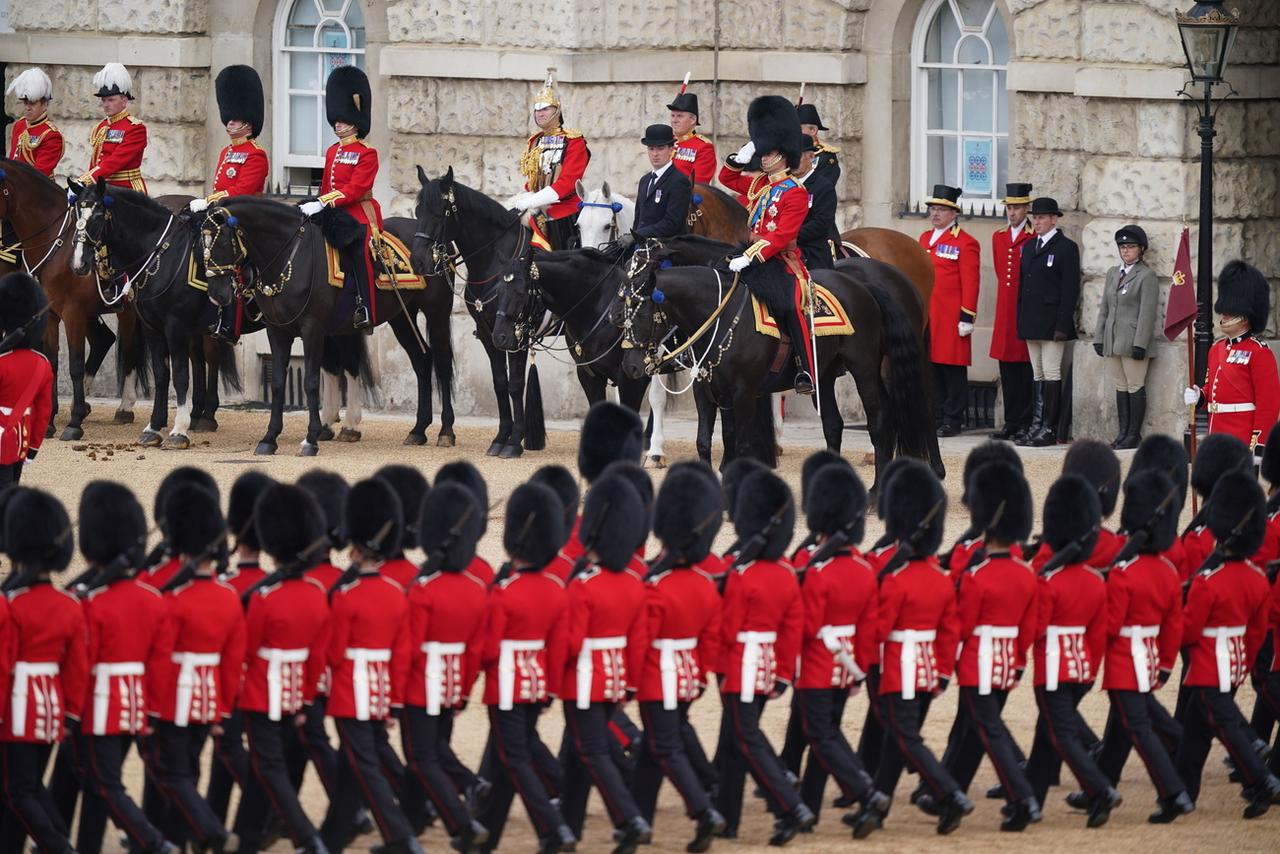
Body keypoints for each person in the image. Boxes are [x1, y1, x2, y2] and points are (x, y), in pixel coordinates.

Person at [851, 461, 967, 839]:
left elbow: (879, 629)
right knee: (894, 740)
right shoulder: (940, 577)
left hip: (896, 668)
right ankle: (875, 806)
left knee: (904, 739)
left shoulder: (896, 581)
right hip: (928, 668)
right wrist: (944, 672)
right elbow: (950, 631)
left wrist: (861, 662)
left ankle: (949, 794)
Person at [928, 461, 1040, 831]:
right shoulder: (1026, 575)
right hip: (1009, 664)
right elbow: (1029, 627)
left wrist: (944, 664)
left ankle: (1023, 798)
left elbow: (962, 627)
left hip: (979, 663)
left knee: (987, 731)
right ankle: (949, 791)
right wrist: (1019, 662)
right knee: (974, 731)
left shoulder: (977, 579)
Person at [713, 469, 815, 845]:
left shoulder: (742, 576)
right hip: (769, 666)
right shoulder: (787, 574)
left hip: (741, 667)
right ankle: (727, 817)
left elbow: (727, 629)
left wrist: (719, 669)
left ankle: (789, 804)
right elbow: (792, 630)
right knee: (732, 740)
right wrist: (785, 674)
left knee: (746, 739)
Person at [319, 478, 419, 854]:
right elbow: (403, 651)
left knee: (365, 765)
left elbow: (333, 651)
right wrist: (392, 699)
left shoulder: (347, 598)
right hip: (380, 691)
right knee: (351, 765)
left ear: (357, 550)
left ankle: (400, 837)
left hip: (349, 691)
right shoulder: (396, 596)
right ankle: (331, 837)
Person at [76, 481, 175, 854]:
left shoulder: (92, 603)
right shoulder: (151, 598)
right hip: (141, 701)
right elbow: (160, 658)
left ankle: (151, 840)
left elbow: (81, 662)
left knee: (102, 782)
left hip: (100, 704)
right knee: (102, 779)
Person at [630, 469, 726, 850]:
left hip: (658, 679)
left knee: (665, 747)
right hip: (688, 679)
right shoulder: (704, 585)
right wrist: (700, 676)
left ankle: (704, 811)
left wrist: (627, 681)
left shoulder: (656, 587)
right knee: (652, 750)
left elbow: (641, 641)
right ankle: (637, 820)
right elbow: (711, 638)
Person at [1175, 471, 1280, 819]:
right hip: (1233, 659)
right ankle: (1181, 792)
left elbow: (1189, 630)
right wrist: (1244, 661)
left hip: (1208, 663)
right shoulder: (1254, 577)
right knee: (1194, 729)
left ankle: (1262, 781)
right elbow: (1256, 630)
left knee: (1232, 730)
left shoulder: (1208, 581)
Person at [478, 482, 576, 854]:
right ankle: (487, 828)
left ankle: (554, 828)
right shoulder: (555, 589)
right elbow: (559, 645)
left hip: (507, 686)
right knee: (520, 750)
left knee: (515, 758)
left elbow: (489, 648)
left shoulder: (504, 592)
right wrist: (549, 688)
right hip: (536, 685)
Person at [146, 483, 244, 853]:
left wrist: (152, 709)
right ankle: (180, 839)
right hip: (208, 699)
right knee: (190, 769)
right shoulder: (229, 597)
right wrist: (222, 707)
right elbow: (231, 660)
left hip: (174, 698)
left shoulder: (175, 600)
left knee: (172, 773)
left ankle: (207, 830)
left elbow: (161, 658)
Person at [233, 483, 330, 854]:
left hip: (261, 695)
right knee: (263, 770)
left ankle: (308, 838)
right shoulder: (316, 595)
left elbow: (248, 651)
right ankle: (247, 838)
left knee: (270, 767)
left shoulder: (263, 599)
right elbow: (317, 656)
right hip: (296, 697)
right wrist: (305, 699)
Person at [559, 475, 652, 851]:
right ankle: (568, 825)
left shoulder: (583, 585)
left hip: (584, 680)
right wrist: (629, 683)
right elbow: (638, 638)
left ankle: (630, 819)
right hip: (615, 678)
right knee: (581, 752)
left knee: (593, 751)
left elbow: (570, 642)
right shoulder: (632, 581)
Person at [402, 482, 491, 853]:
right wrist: (464, 689)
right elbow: (474, 650)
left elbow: (409, 649)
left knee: (421, 756)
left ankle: (462, 822)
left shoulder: (423, 589)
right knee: (435, 749)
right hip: (454, 683)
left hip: (422, 684)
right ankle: (416, 816)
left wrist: (392, 693)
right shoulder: (474, 588)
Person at [1097, 470, 1189, 827]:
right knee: (1133, 721)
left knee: (1138, 728)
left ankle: (1173, 792)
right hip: (1150, 658)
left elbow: (1111, 624)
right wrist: (1166, 664)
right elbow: (1173, 624)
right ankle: (1101, 788)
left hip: (1124, 661)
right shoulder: (1166, 571)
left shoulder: (1123, 573)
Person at [792, 465, 882, 823]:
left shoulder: (817, 571)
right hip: (847, 666)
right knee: (824, 734)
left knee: (820, 733)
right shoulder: (863, 568)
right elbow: (868, 625)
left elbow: (809, 624)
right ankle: (810, 804)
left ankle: (865, 790)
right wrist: (858, 670)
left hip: (818, 663)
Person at [0, 489, 87, 854]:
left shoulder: (12, 606)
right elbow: (77, 668)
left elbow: (4, 668)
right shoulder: (70, 605)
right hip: (51, 708)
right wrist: (69, 714)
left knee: (18, 790)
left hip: (17, 711)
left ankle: (58, 847)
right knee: (31, 786)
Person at [1022, 476, 1113, 821]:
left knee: (1061, 734)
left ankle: (1100, 790)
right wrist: (1089, 670)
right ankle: (1030, 799)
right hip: (1082, 669)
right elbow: (1098, 633)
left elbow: (1035, 629)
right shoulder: (1093, 580)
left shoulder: (1048, 581)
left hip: (1053, 671)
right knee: (1047, 732)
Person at [718, 96, 817, 395]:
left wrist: (750, 257)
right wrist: (743, 153)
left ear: (784, 154)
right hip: (749, 256)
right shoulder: (761, 185)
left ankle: (805, 368)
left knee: (790, 305)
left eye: (768, 151)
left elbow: (780, 236)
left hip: (779, 260)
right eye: (762, 151)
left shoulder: (795, 192)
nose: (763, 157)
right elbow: (726, 178)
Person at [298, 65, 380, 332]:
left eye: (342, 118)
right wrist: (319, 204)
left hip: (358, 213)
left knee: (358, 254)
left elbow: (356, 188)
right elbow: (326, 185)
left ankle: (365, 307)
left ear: (355, 119)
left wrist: (326, 202)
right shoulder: (333, 151)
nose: (337, 122)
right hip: (333, 211)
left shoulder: (367, 152)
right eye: (336, 118)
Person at [192, 64, 270, 343]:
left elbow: (241, 190)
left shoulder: (256, 154)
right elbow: (220, 185)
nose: (229, 123)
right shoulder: (227, 151)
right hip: (221, 216)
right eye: (228, 119)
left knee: (231, 263)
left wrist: (210, 200)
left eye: (235, 120)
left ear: (248, 121)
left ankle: (230, 323)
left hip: (245, 218)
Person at [1184, 260, 1280, 456]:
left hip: (1242, 439)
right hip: (1215, 434)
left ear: (1245, 316)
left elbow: (1268, 404)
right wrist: (1199, 396)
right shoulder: (1217, 349)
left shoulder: (1259, 352)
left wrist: (1259, 444)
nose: (1224, 316)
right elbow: (1212, 390)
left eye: (1231, 312)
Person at [1015, 196, 1080, 447]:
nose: (1037, 221)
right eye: (1036, 217)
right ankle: (1037, 423)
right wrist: (1021, 320)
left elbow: (1069, 290)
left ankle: (1050, 428)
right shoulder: (1030, 247)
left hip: (1053, 322)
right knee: (1038, 373)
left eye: (1042, 217)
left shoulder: (1066, 248)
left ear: (1054, 219)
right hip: (1032, 320)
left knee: (1052, 371)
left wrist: (1063, 325)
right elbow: (1024, 288)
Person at [919, 185, 980, 437]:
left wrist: (967, 316)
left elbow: (971, 281)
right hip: (928, 314)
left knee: (952, 368)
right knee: (931, 367)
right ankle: (934, 415)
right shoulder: (924, 239)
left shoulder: (966, 242)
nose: (935, 214)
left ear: (953, 213)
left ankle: (953, 418)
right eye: (933, 209)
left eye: (941, 210)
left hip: (951, 316)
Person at [510, 68, 590, 251]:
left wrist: (533, 201)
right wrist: (526, 198)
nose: (540, 113)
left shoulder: (573, 141)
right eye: (537, 109)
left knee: (542, 225)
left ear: (557, 110)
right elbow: (532, 181)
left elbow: (568, 183)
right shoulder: (535, 140)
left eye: (545, 109)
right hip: (537, 204)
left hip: (564, 208)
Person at [1094, 225, 1159, 449]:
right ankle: (1122, 431)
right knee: (1120, 386)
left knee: (1134, 386)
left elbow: (1147, 313)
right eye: (1122, 247)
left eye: (1130, 247)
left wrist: (1140, 343)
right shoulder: (1113, 272)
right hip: (1113, 339)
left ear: (1141, 249)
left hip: (1132, 340)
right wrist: (1099, 337)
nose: (1126, 251)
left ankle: (1134, 434)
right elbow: (1105, 307)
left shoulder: (1146, 276)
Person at [0, 272, 53, 490]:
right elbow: (43, 412)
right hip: (21, 441)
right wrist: (33, 447)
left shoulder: (2, 363)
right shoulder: (42, 364)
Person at [990, 184, 1034, 440]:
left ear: (1026, 208)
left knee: (1025, 370)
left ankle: (1026, 420)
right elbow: (999, 270)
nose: (1012, 212)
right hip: (1004, 311)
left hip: (1024, 309)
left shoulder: (1031, 236)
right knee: (1006, 368)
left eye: (1016, 207)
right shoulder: (999, 236)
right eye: (1009, 207)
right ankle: (1011, 421)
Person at [79, 63, 147, 192]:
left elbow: (115, 161)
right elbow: (95, 162)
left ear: (124, 100)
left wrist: (88, 180)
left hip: (126, 189)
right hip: (101, 185)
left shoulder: (135, 128)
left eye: (111, 100)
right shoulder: (101, 126)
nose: (105, 104)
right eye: (104, 100)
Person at [632, 124, 692, 241]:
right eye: (651, 148)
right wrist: (635, 238)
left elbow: (672, 223)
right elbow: (639, 219)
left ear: (671, 150)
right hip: (643, 246)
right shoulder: (645, 180)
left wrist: (638, 235)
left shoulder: (679, 181)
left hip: (667, 248)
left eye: (660, 148)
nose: (655, 154)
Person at [794, 135, 842, 272]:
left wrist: (787, 236)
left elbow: (820, 223)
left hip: (812, 254)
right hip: (784, 249)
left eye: (798, 157)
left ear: (810, 157)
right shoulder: (784, 185)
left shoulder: (823, 186)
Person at [5, 68, 63, 176]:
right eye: (25, 103)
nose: (27, 107)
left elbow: (39, 175)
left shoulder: (51, 135)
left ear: (45, 104)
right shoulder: (19, 125)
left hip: (36, 190)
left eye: (32, 103)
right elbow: (13, 158)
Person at [668, 85, 717, 185]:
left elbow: (698, 185)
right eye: (673, 116)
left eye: (679, 116)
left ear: (692, 120)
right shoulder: (667, 141)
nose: (674, 120)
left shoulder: (703, 147)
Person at [796, 101, 839, 187]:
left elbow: (823, 188)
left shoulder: (826, 157)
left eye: (798, 128)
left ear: (813, 130)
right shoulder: (791, 152)